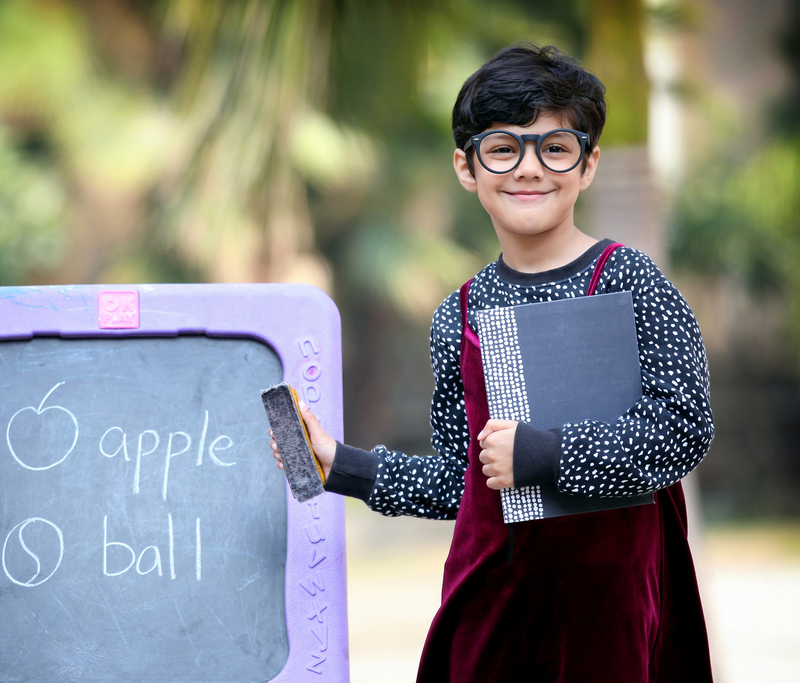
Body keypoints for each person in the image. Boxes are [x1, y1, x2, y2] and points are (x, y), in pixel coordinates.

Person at [269, 44, 714, 682]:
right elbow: (464, 482)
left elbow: (683, 428)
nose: (529, 168)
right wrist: (339, 464)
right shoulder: (460, 312)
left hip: (605, 613)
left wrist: (545, 454)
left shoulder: (630, 281)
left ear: (587, 166)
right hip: (492, 613)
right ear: (466, 166)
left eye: (555, 147)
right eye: (504, 148)